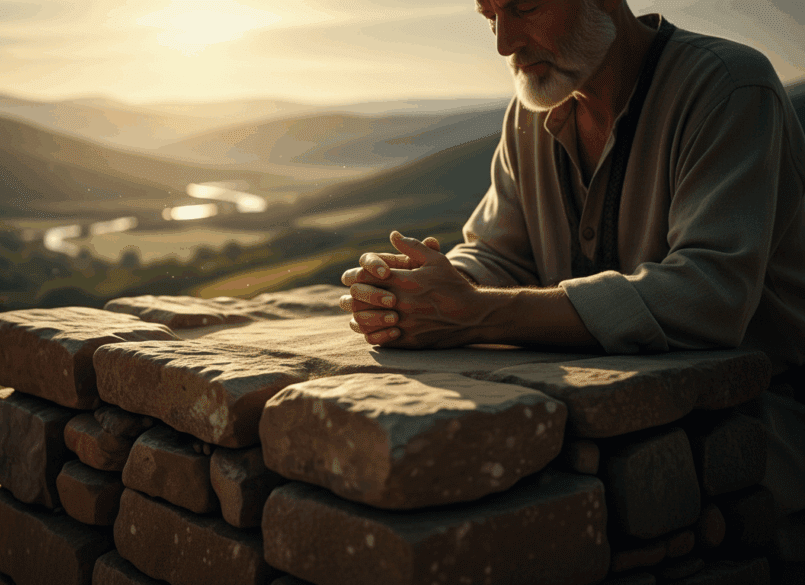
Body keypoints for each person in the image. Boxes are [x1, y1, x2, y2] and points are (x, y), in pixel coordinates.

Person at [339, 0, 805, 521]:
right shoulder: (531, 113)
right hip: (598, 447)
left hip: (755, 451)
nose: (504, 43)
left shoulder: (730, 88)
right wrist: (422, 291)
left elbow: (709, 295)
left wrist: (477, 313)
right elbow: (498, 253)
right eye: (490, 16)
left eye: (524, 7)